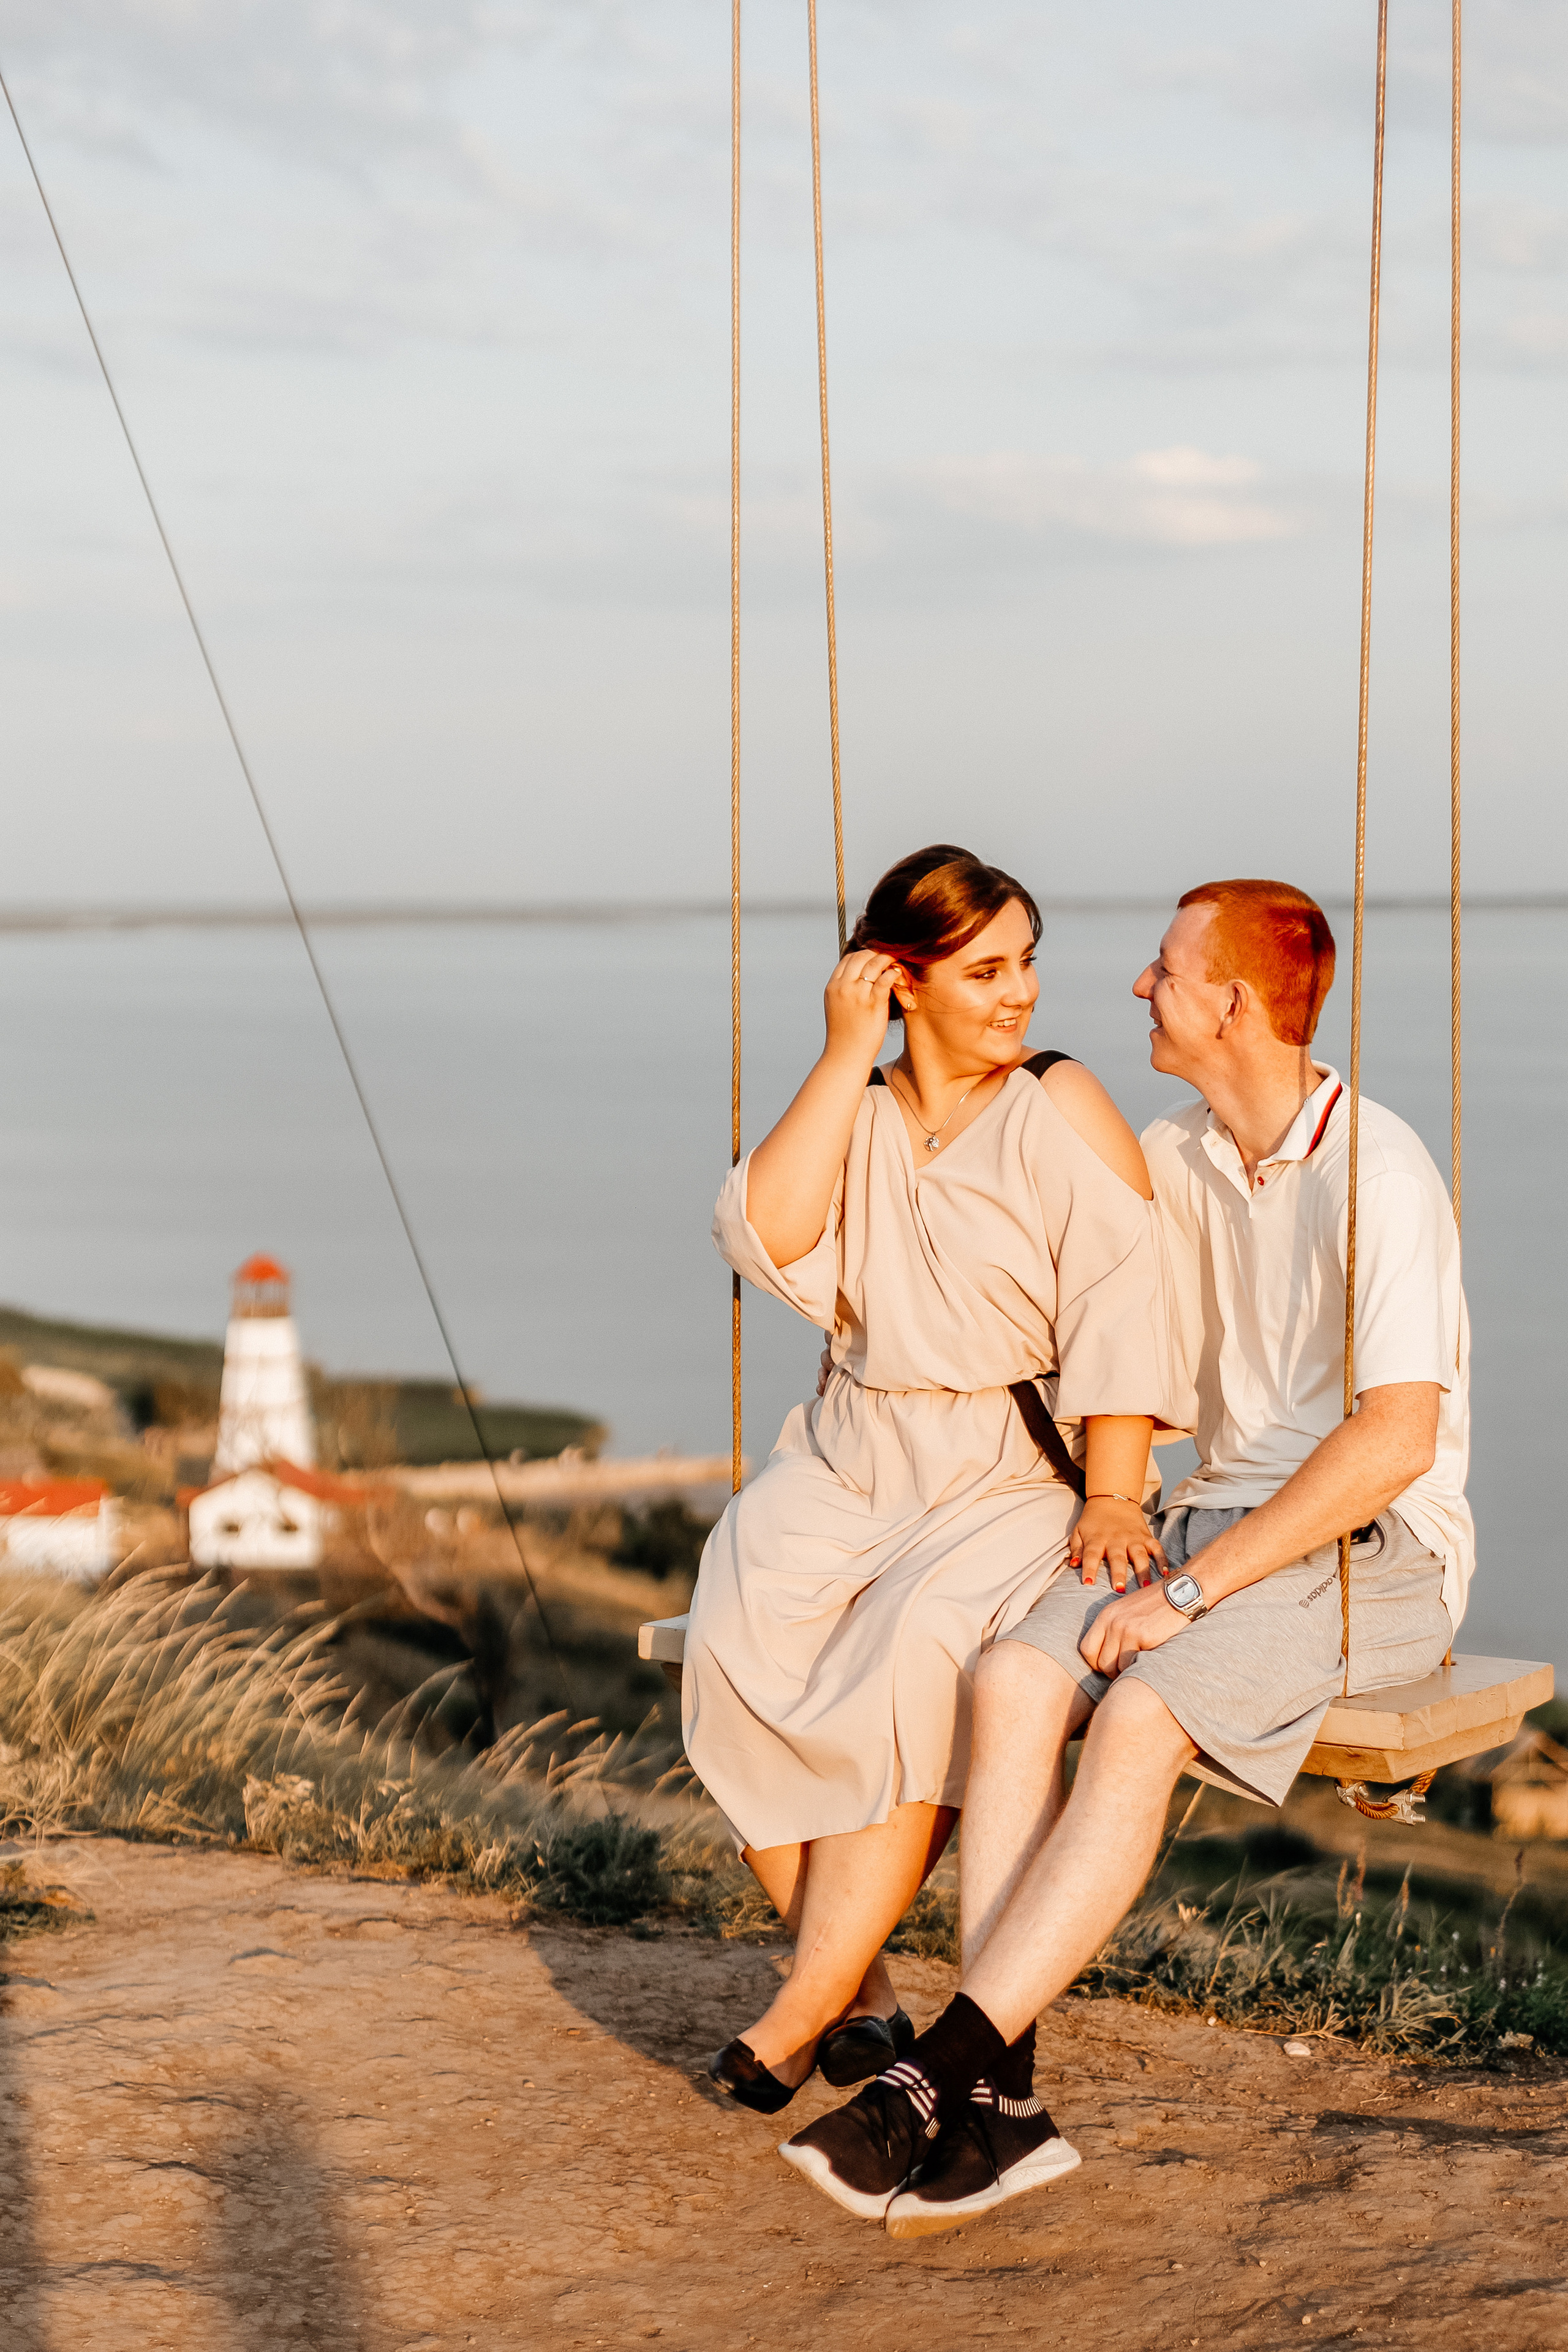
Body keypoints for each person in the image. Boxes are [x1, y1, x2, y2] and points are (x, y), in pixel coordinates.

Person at [782, 876, 1470, 2232]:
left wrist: (1192, 1593)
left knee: (1141, 1711)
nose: (1136, 991)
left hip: (1369, 1545)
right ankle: (1008, 2115)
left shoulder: (1372, 1167)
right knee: (1011, 1681)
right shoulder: (1173, 1153)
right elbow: (1043, 1261)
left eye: (1161, 971)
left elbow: (1392, 1441)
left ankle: (936, 2081)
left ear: (1230, 1001)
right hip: (1202, 1527)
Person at [686, 843, 1191, 2116]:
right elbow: (767, 1233)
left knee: (914, 1654)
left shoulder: (1053, 1099)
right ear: (897, 981)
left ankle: (801, 2009)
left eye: (1025, 963)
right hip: (851, 1451)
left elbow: (1120, 1302)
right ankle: (859, 1996)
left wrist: (1116, 1493)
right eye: (982, 970)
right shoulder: (855, 1111)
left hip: (1000, 1472)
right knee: (731, 1636)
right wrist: (834, 1052)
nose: (1017, 992)